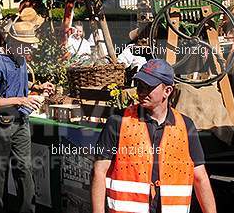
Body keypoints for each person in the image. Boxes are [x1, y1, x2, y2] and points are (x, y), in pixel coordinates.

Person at [91, 59, 217, 213]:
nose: (141, 91)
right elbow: (99, 172)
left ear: (167, 91)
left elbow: (200, 178)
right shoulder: (117, 123)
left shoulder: (185, 125)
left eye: (148, 86)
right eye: (139, 85)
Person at [0, 7, 54, 213]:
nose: (30, 49)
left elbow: (15, 87)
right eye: (26, 46)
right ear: (12, 42)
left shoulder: (20, 58)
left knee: (24, 169)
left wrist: (36, 88)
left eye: (30, 46)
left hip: (19, 121)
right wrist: (21, 99)